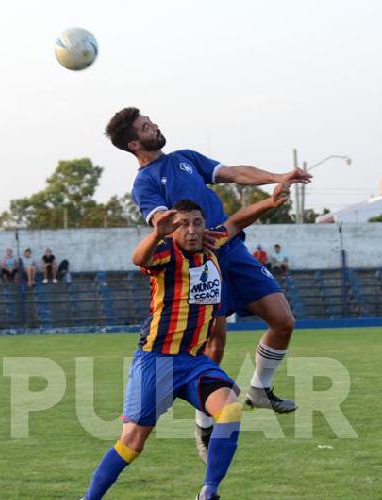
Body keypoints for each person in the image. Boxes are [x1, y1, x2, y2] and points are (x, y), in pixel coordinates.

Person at [106, 106, 311, 464]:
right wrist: (178, 227)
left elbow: (232, 172)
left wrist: (277, 177)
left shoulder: (185, 158)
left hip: (232, 248)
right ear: (135, 143)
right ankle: (204, 423)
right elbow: (160, 223)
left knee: (283, 321)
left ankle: (260, 389)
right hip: (196, 266)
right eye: (145, 126)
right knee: (212, 344)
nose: (154, 124)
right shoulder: (144, 183)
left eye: (150, 119)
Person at [82, 185, 288, 500]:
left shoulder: (211, 244)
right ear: (173, 228)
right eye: (183, 224)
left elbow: (236, 222)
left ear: (205, 226)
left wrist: (270, 202)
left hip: (193, 361)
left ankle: (209, 491)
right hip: (156, 360)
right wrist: (155, 234)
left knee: (230, 409)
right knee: (133, 442)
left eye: (196, 223)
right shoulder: (165, 252)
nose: (191, 230)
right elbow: (138, 257)